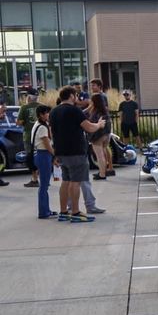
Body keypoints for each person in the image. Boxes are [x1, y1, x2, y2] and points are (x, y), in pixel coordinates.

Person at [49, 86, 105, 222]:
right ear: (71, 96)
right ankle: (75, 212)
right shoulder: (74, 111)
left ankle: (63, 212)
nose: (77, 97)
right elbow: (89, 127)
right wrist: (99, 125)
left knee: (65, 181)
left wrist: (55, 152)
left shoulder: (53, 112)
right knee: (76, 182)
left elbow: (51, 133)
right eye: (75, 95)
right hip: (75, 151)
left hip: (61, 151)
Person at [31, 105, 55, 218]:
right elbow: (47, 144)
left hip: (40, 154)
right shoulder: (42, 127)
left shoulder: (39, 124)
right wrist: (55, 155)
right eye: (47, 113)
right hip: (43, 154)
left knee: (44, 185)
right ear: (41, 114)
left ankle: (46, 209)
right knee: (44, 186)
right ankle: (43, 212)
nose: (48, 115)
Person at [88, 79, 114, 177]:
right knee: (103, 149)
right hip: (105, 128)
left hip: (100, 130)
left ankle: (105, 170)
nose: (92, 87)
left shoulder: (100, 96)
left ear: (99, 86)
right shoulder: (99, 97)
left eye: (94, 85)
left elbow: (104, 108)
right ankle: (106, 169)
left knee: (101, 152)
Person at [16, 89, 41, 187]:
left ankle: (34, 179)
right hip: (41, 136)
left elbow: (19, 122)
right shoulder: (42, 106)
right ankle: (42, 178)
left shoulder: (24, 107)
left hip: (29, 136)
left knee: (30, 158)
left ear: (29, 97)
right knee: (41, 156)